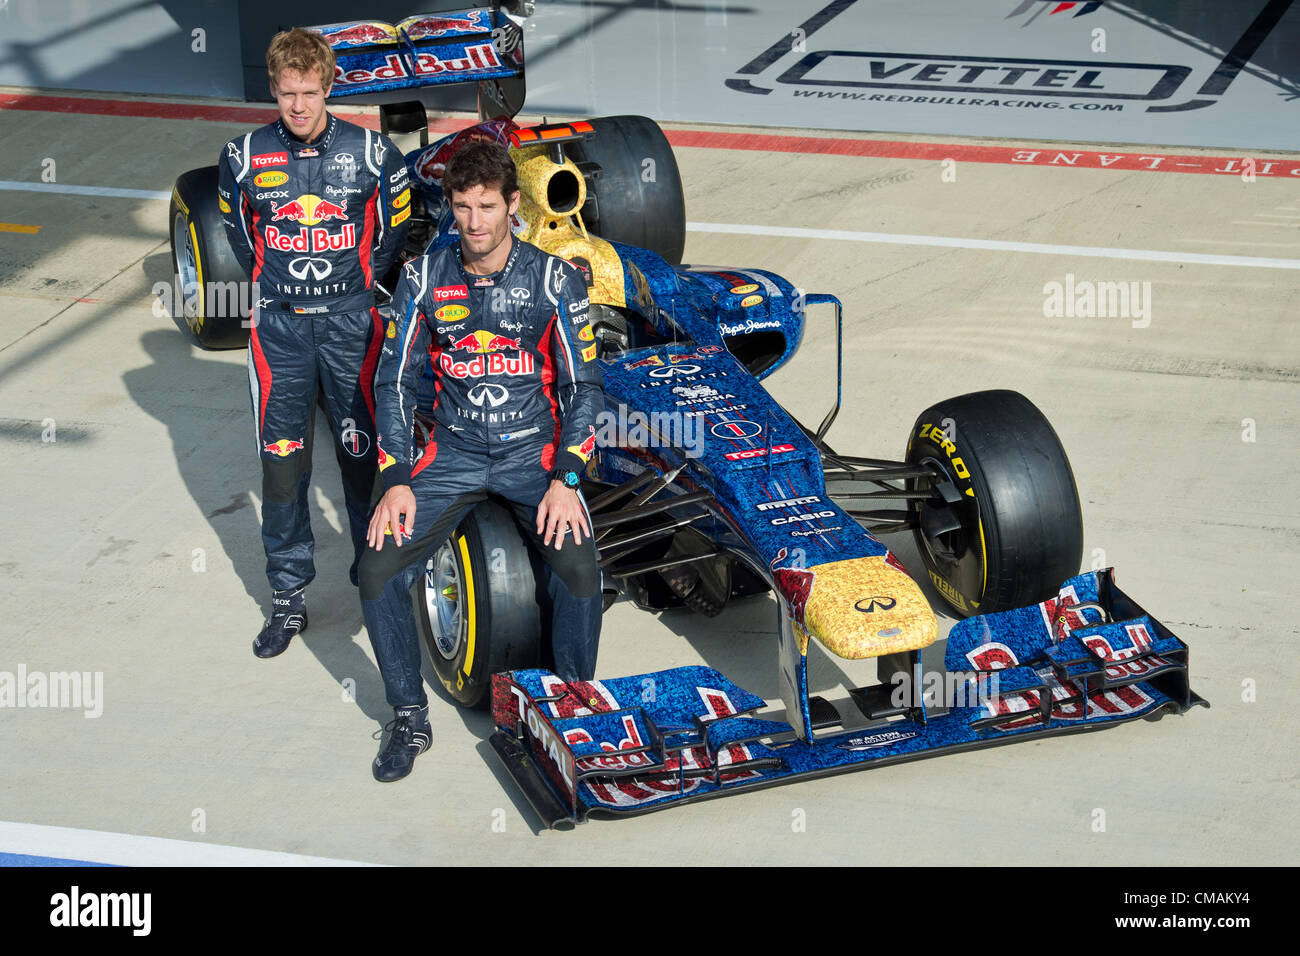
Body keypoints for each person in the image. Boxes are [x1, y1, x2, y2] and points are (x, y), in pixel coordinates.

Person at [360, 140, 604, 782]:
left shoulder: (556, 279)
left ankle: (573, 710)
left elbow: (585, 389)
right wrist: (394, 477)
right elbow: (394, 384)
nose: (474, 222)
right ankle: (409, 716)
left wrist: (566, 481)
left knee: (579, 569)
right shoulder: (422, 277)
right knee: (378, 567)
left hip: (534, 454)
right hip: (453, 454)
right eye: (463, 207)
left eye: (487, 206)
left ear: (512, 205)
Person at [218, 28, 411, 657]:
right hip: (279, 333)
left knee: (365, 460)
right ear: (272, 90)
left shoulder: (376, 154)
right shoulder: (242, 156)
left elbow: (390, 240)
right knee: (283, 468)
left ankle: (373, 573)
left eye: (310, 92)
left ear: (330, 88)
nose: (299, 105)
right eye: (287, 93)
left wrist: (352, 295)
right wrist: (276, 296)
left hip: (352, 327)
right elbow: (242, 240)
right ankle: (287, 598)